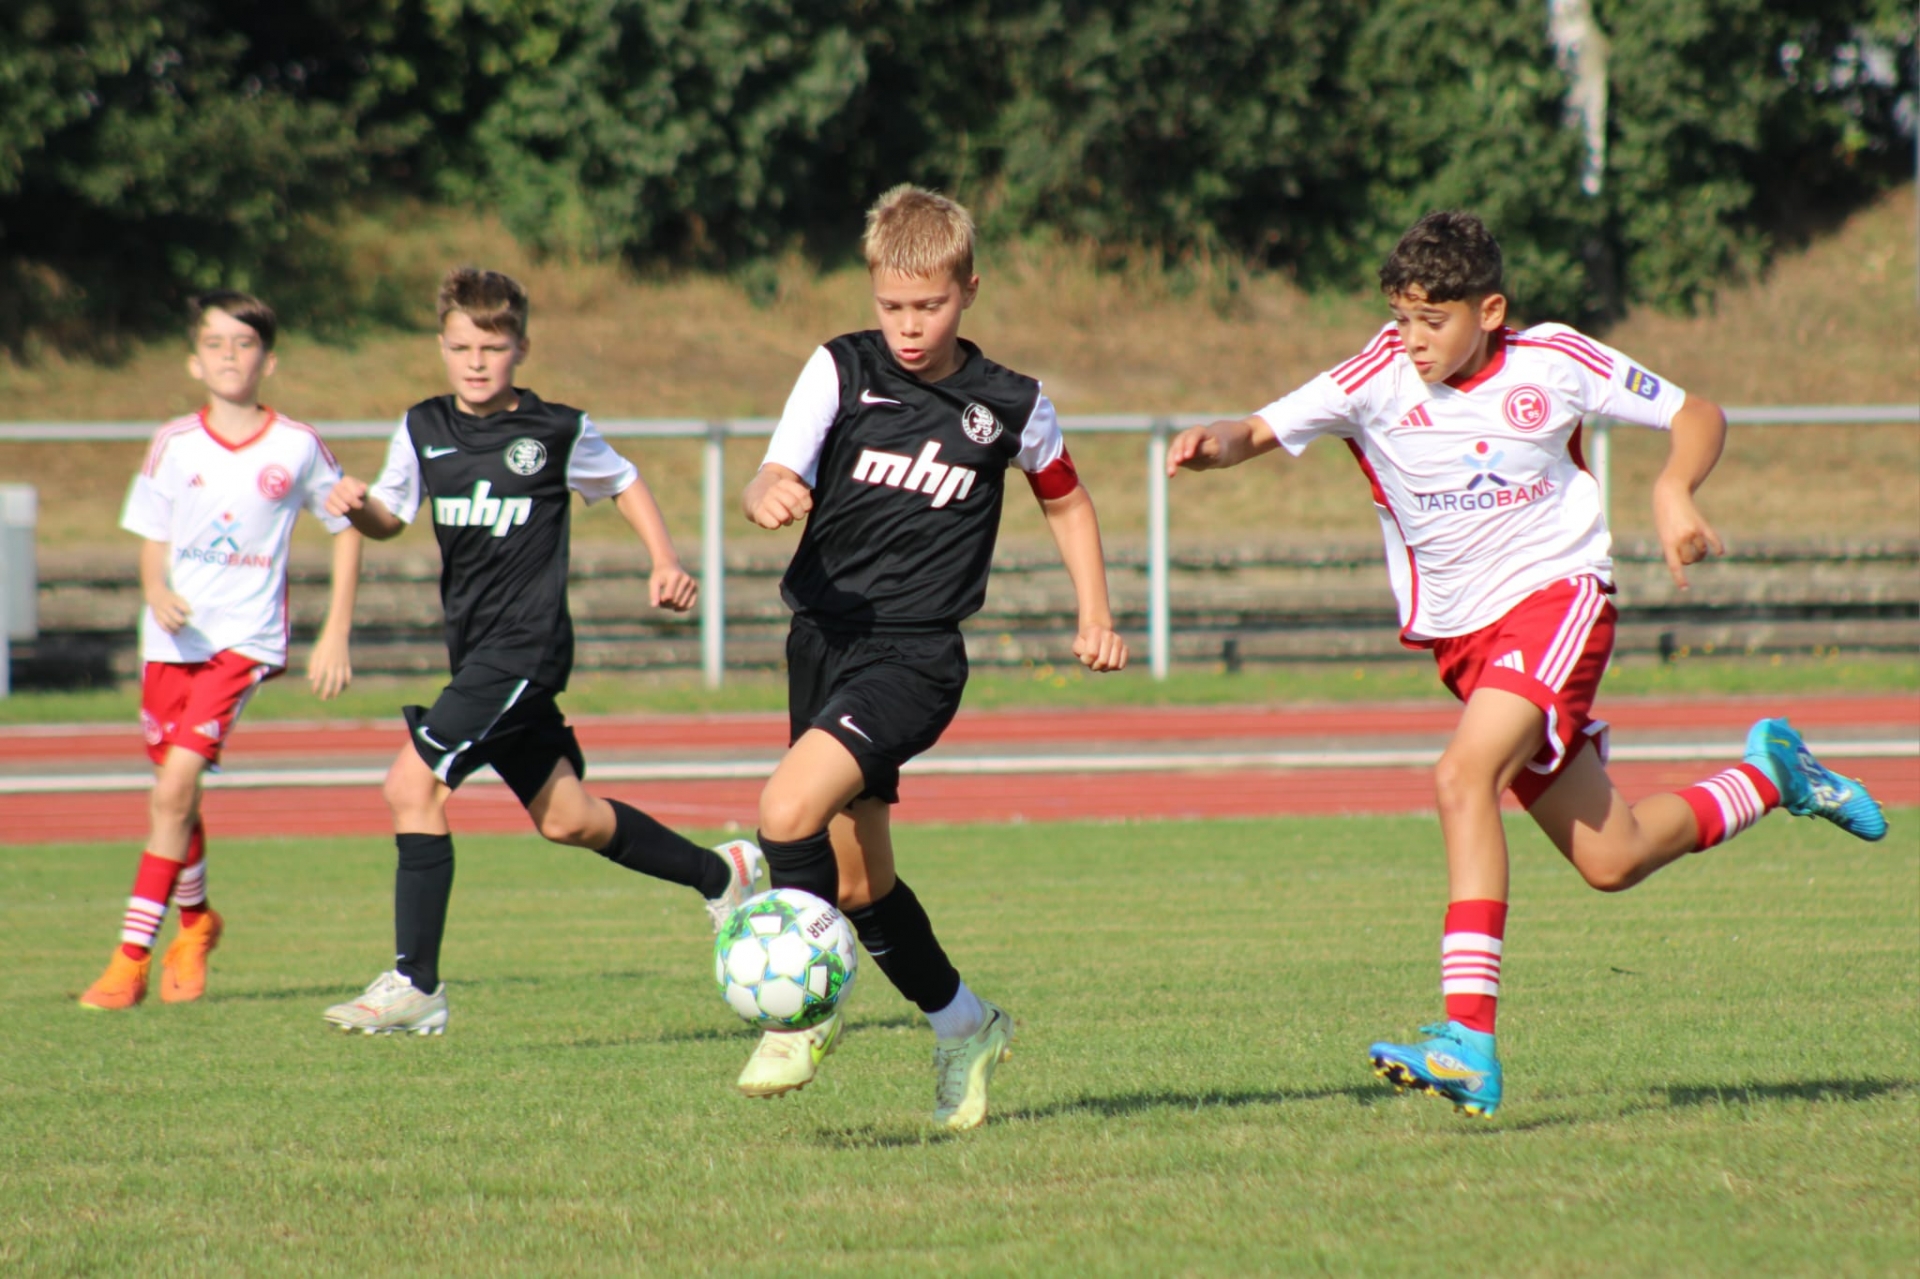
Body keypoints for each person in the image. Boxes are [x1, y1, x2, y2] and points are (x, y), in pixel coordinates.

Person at [1168, 211, 1887, 1119]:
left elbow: (1695, 412)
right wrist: (1213, 444)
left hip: (1558, 599)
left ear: (1490, 311)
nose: (1412, 338)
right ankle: (1773, 775)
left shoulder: (1553, 360)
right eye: (1401, 316)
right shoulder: (1375, 375)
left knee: (1460, 776)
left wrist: (1673, 487)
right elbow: (1256, 428)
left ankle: (1468, 1040)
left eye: (1433, 319)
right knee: (1614, 857)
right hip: (1468, 646)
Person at [737, 185, 1129, 1130]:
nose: (908, 327)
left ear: (969, 291)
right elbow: (774, 467)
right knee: (858, 882)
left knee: (784, 810)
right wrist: (766, 492)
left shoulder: (1011, 403)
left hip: (914, 658)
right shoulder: (840, 368)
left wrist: (1096, 611)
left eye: (929, 305)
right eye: (892, 305)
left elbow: (1067, 499)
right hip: (821, 640)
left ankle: (802, 1014)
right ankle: (967, 1024)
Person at [319, 267, 761, 1036]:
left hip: (525, 650)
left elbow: (624, 480)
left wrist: (663, 559)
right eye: (462, 347)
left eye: (493, 347)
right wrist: (358, 508)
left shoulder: (556, 431)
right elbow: (390, 516)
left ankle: (416, 982)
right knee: (569, 818)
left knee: (409, 786)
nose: (477, 362)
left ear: (521, 346)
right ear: (442, 346)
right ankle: (722, 872)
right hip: (477, 656)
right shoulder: (422, 426)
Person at [80, 291, 364, 1011]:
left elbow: (348, 524)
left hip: (243, 641)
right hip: (170, 640)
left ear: (269, 360)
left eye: (244, 343)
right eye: (215, 343)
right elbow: (153, 536)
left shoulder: (296, 444)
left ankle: (129, 959)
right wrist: (156, 591)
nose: (229, 355)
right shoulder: (174, 442)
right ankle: (197, 921)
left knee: (173, 788)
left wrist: (335, 630)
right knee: (174, 796)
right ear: (194, 360)